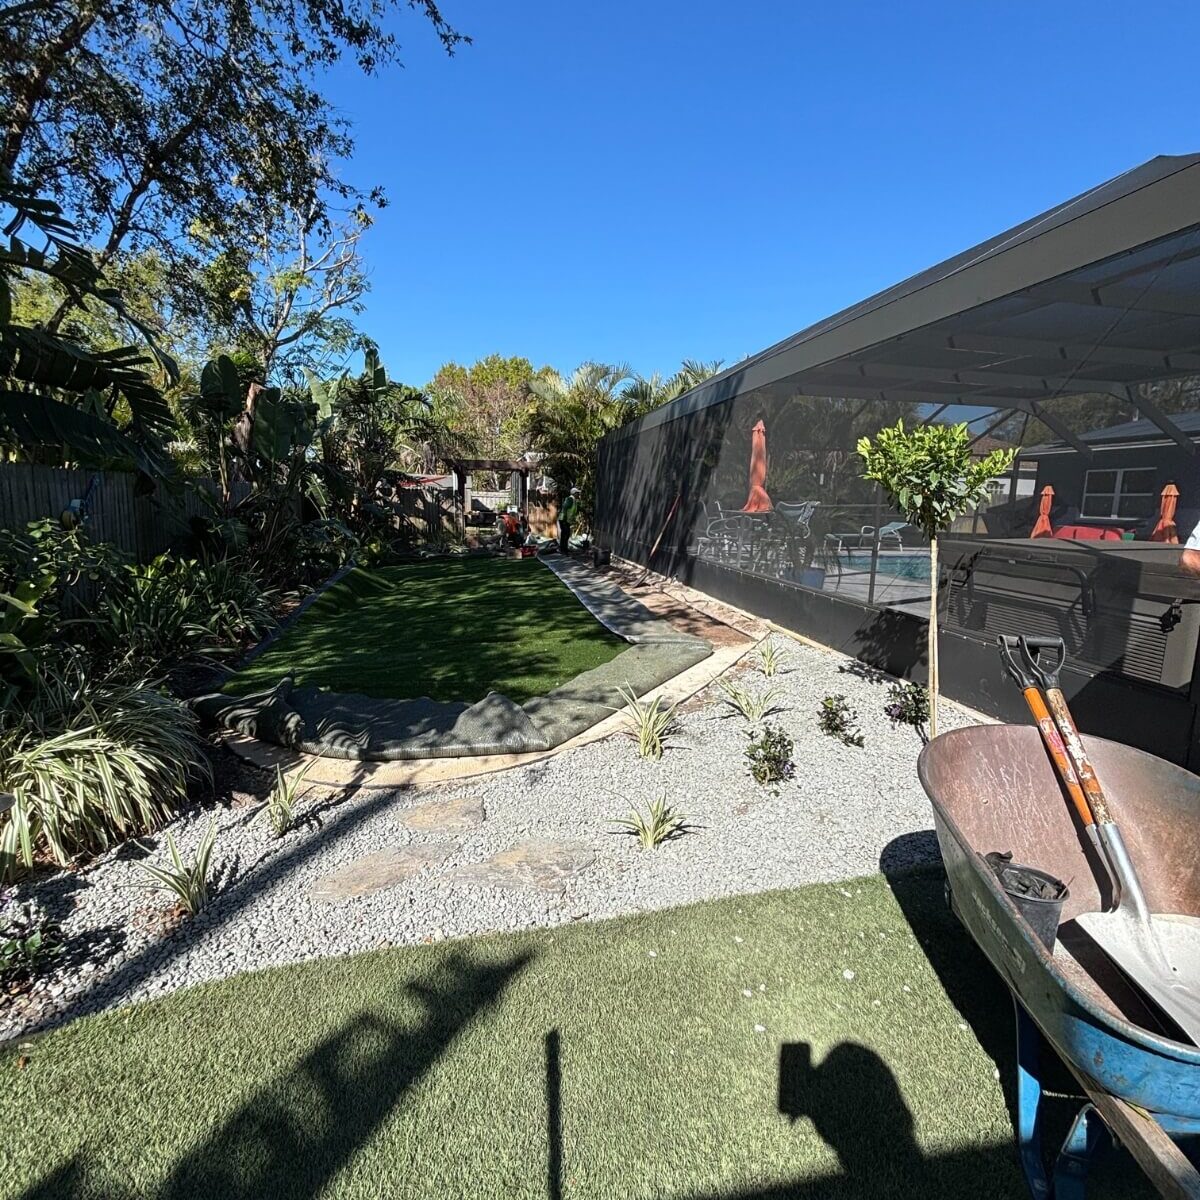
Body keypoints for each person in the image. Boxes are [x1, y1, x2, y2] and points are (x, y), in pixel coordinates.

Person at [558, 486, 580, 554]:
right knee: (565, 534)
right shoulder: (570, 499)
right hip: (564, 519)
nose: (578, 494)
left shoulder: (574, 500)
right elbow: (565, 508)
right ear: (574, 493)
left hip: (565, 520)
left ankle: (563, 549)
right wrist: (564, 518)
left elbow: (574, 509)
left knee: (565, 534)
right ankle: (563, 549)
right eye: (577, 493)